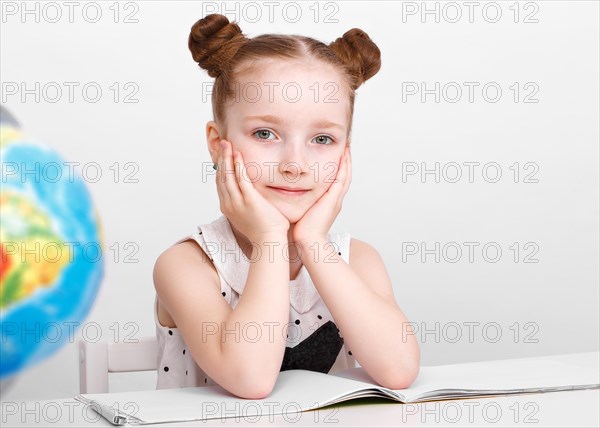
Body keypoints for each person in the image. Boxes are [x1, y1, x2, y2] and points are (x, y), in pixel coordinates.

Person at [153, 13, 420, 399]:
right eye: (265, 133)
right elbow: (250, 379)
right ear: (217, 142)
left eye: (322, 139)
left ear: (346, 151)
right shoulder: (188, 266)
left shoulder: (357, 262)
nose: (294, 164)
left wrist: (312, 241)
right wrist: (270, 239)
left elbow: (398, 371)